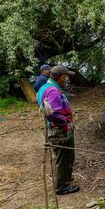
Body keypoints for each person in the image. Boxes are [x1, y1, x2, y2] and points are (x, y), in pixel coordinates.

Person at [37, 65, 79, 195]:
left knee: (66, 157)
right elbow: (53, 113)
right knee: (64, 158)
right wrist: (65, 124)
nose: (67, 78)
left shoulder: (44, 87)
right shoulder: (53, 91)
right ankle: (62, 187)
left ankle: (66, 178)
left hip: (53, 129)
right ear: (61, 77)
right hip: (59, 131)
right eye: (66, 76)